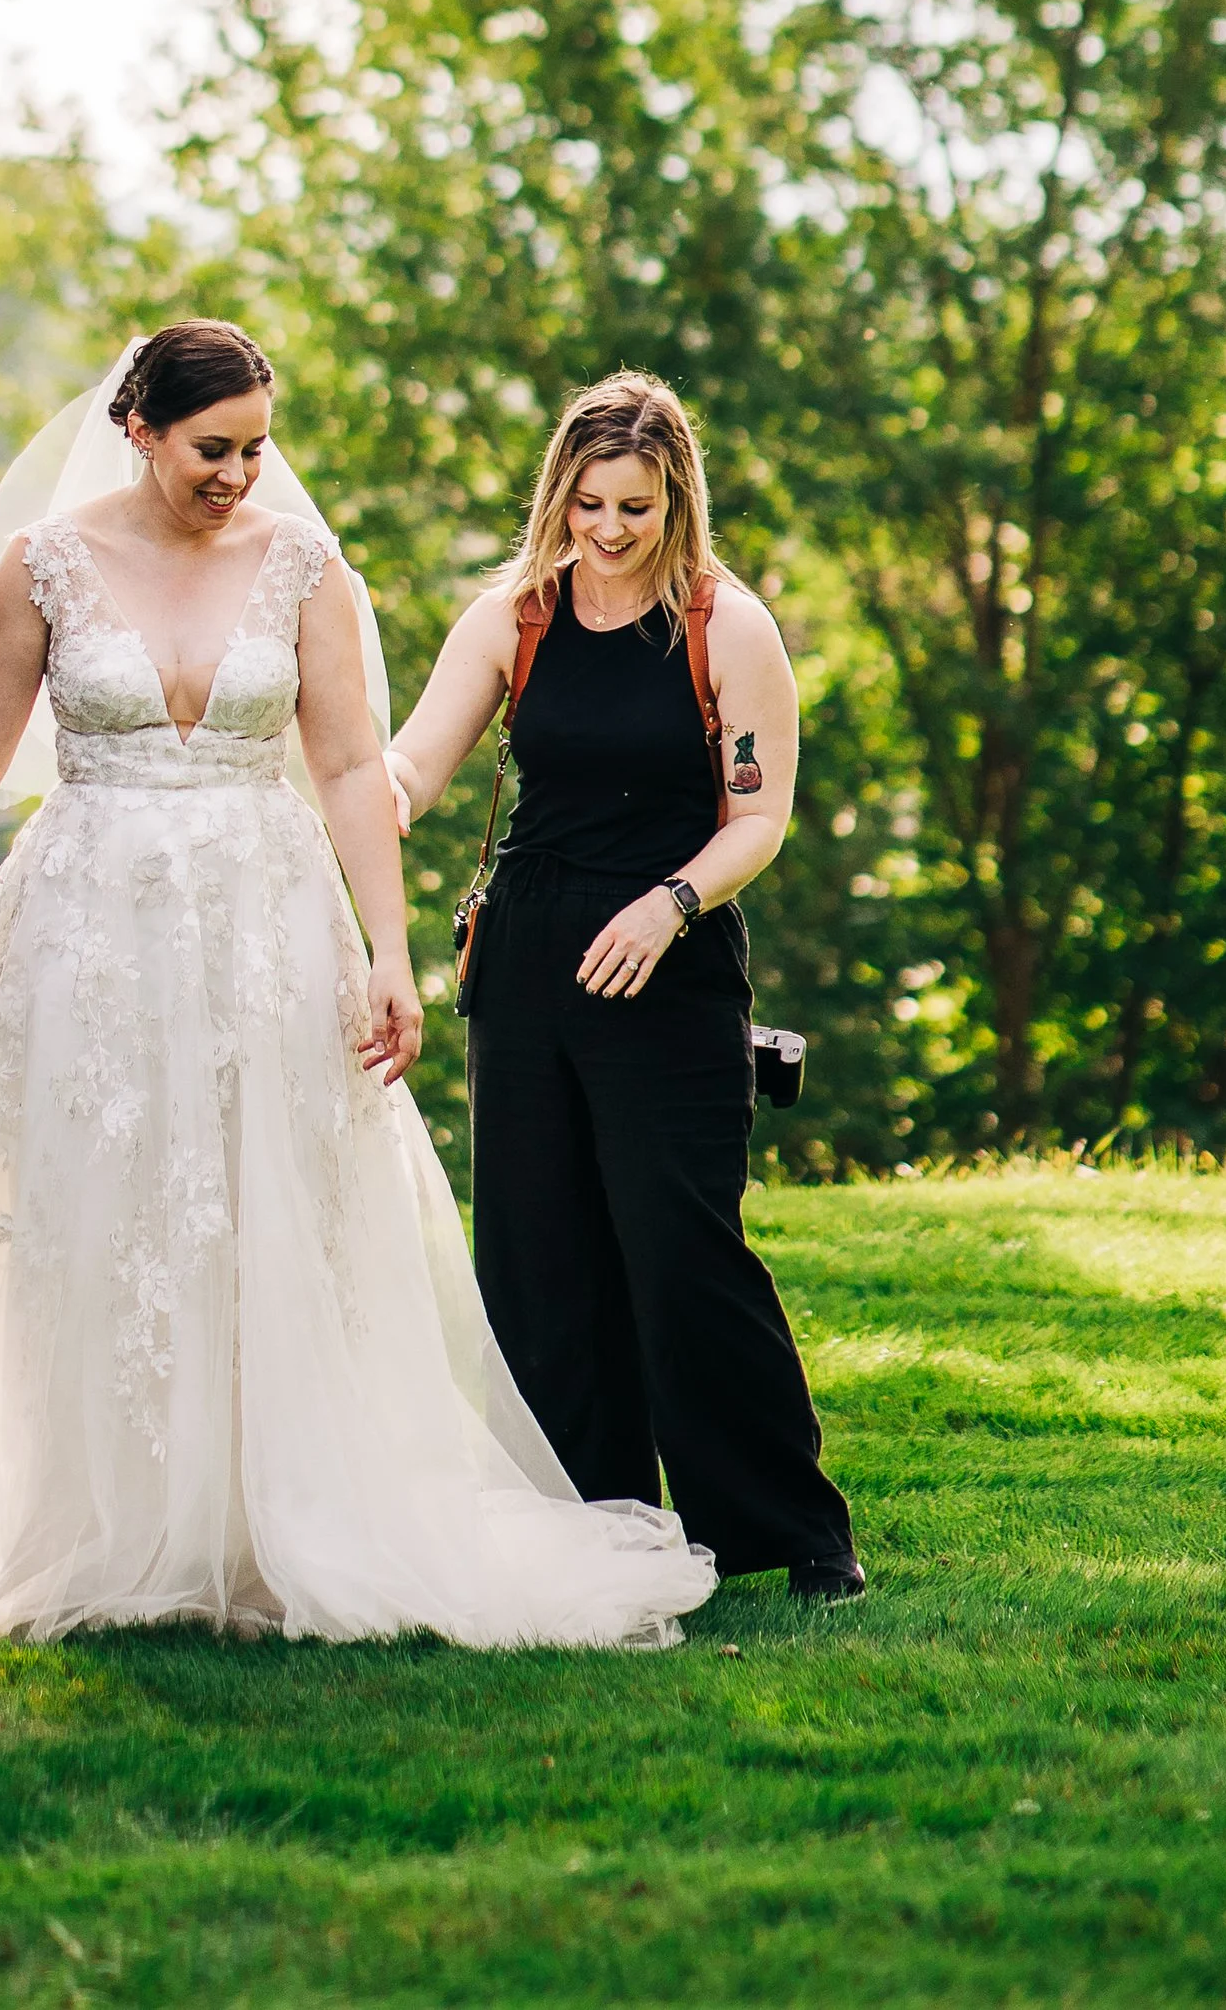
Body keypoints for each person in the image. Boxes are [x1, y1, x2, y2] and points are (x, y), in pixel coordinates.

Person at [0, 322, 717, 1648]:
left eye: (254, 448)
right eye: (210, 449)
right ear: (138, 431)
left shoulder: (302, 568)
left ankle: (264, 1516)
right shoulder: (45, 565)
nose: (238, 474)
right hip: (89, 932)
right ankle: (94, 1513)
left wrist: (387, 951)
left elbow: (346, 767)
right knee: (98, 1210)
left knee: (261, 1207)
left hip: (264, 926)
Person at [390, 369, 864, 1601]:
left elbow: (757, 820)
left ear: (676, 502)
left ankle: (793, 1533)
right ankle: (584, 1527)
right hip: (528, 959)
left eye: (634, 508)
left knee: (681, 1247)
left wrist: (669, 905)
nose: (607, 529)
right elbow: (416, 764)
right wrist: (359, 796)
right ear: (559, 493)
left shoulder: (728, 626)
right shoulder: (512, 615)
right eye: (588, 503)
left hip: (670, 954)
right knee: (536, 1257)